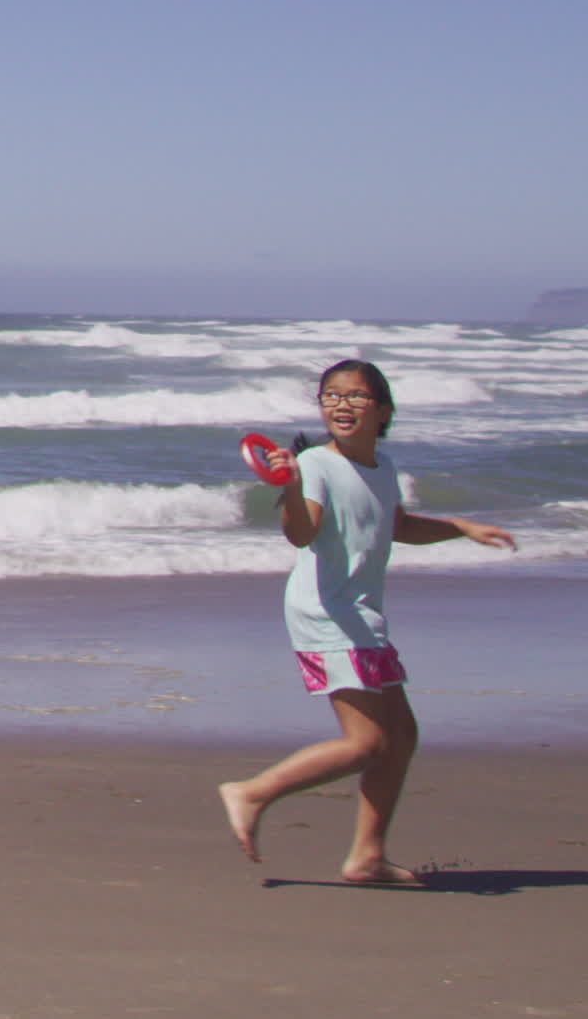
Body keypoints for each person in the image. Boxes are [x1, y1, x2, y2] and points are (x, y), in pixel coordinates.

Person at [217, 357, 516, 884]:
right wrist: (287, 484)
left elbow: (396, 525)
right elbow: (302, 534)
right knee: (367, 743)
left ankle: (367, 857)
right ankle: (252, 792)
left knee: (401, 735)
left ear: (383, 411)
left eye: (354, 396)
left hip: (361, 615)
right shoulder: (314, 466)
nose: (340, 404)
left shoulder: (383, 468)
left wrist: (462, 527)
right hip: (325, 614)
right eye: (330, 395)